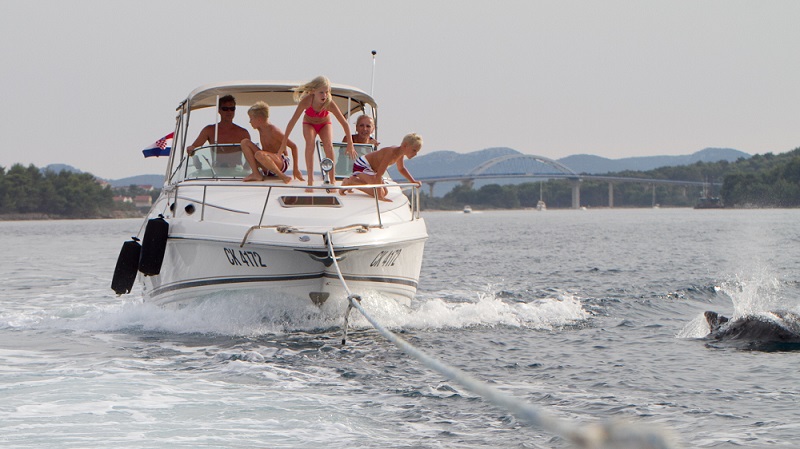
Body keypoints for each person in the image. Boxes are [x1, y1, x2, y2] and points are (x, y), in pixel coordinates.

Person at [281, 76, 356, 189]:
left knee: (328, 145)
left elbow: (344, 123)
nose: (324, 95)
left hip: (324, 124)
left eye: (327, 92)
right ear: (313, 92)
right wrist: (283, 143)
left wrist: (350, 143)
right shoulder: (306, 101)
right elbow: (292, 122)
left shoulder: (329, 103)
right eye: (321, 92)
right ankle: (310, 181)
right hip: (309, 123)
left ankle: (332, 180)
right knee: (310, 144)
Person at [340, 133, 423, 202]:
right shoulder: (390, 153)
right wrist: (379, 197)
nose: (415, 154)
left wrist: (413, 181)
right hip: (362, 165)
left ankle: (354, 181)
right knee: (378, 193)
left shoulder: (400, 154)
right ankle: (351, 182)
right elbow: (379, 175)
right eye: (414, 150)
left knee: (385, 192)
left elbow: (401, 168)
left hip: (371, 169)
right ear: (405, 146)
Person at [240, 101, 303, 183]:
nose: (250, 122)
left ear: (259, 119)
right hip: (265, 162)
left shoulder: (273, 131)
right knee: (245, 142)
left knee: (259, 154)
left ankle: (283, 176)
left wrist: (296, 169)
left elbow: (293, 146)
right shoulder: (260, 129)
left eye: (251, 119)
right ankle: (256, 174)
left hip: (280, 162)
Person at [186, 95, 250, 167]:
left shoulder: (243, 133)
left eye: (232, 109)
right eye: (225, 108)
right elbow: (194, 148)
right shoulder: (209, 130)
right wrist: (191, 149)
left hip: (237, 173)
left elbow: (250, 156)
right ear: (219, 110)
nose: (229, 111)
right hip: (216, 173)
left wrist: (246, 170)